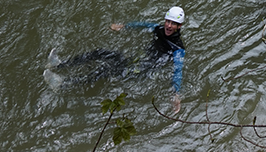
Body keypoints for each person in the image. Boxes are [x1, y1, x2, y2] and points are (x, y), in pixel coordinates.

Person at [44, 6, 187, 112]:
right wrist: (124, 26)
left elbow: (178, 70)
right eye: (168, 21)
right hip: (136, 59)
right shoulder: (159, 28)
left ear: (179, 26)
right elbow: (143, 25)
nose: (169, 25)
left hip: (141, 69)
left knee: (105, 70)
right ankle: (60, 65)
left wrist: (176, 92)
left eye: (173, 23)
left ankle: (63, 84)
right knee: (101, 53)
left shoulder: (178, 49)